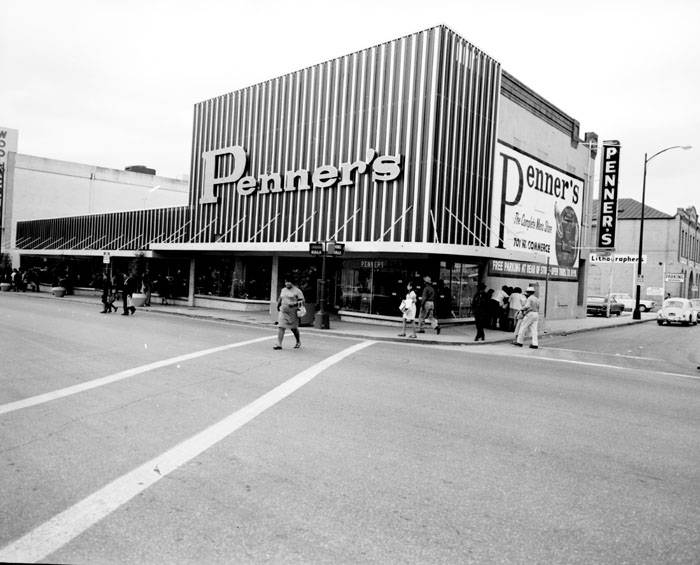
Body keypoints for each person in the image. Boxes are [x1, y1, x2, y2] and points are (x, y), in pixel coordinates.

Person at [274, 278, 305, 349]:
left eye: (289, 282)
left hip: (293, 312)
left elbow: (302, 301)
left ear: (292, 283)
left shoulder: (297, 291)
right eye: (286, 282)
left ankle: (298, 341)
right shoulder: (283, 290)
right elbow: (280, 298)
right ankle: (279, 344)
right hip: (283, 311)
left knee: (293, 328)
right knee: (281, 326)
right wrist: (278, 305)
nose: (287, 283)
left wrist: (294, 304)